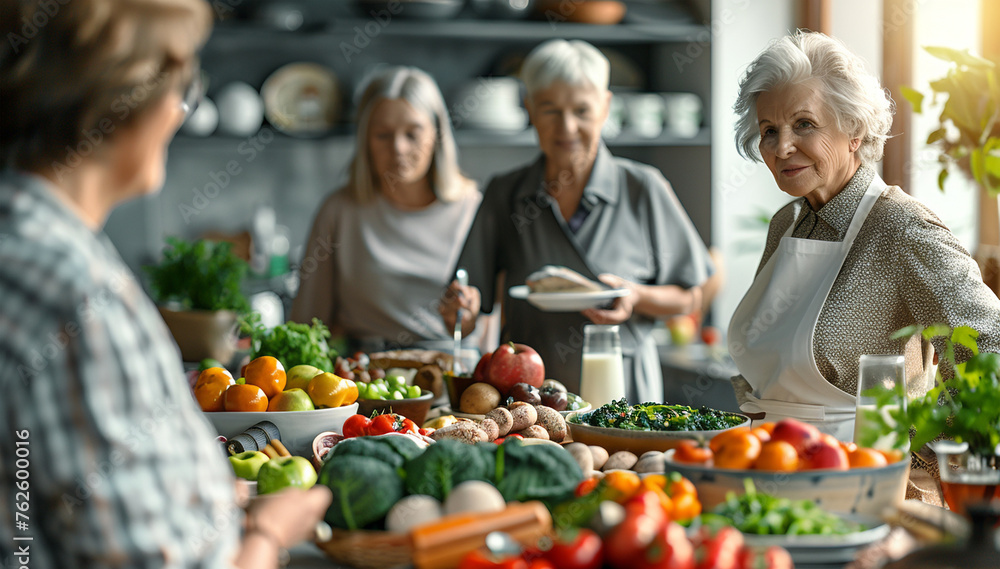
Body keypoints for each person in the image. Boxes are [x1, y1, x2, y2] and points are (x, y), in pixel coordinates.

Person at [0, 2, 331, 569]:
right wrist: (267, 531)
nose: (181, 112)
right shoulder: (76, 299)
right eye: (182, 89)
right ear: (119, 103)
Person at [727, 31, 1000, 486]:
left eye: (804, 124)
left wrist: (924, 447)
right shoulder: (787, 222)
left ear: (854, 130)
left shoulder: (903, 228)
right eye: (769, 130)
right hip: (768, 473)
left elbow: (989, 352)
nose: (781, 147)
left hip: (868, 488)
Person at [440, 39, 714, 402]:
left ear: (605, 107)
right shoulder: (505, 193)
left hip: (625, 390)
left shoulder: (642, 187)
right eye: (550, 109)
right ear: (529, 108)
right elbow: (467, 312)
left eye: (581, 110)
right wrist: (461, 308)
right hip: (528, 396)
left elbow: (690, 296)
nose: (566, 127)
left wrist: (635, 294)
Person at [291, 66, 485, 353]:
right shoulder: (340, 211)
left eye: (412, 133)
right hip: (364, 375)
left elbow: (486, 329)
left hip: (451, 372)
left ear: (437, 135)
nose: (398, 148)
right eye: (383, 135)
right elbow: (307, 323)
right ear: (365, 140)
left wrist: (467, 318)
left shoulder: (474, 210)